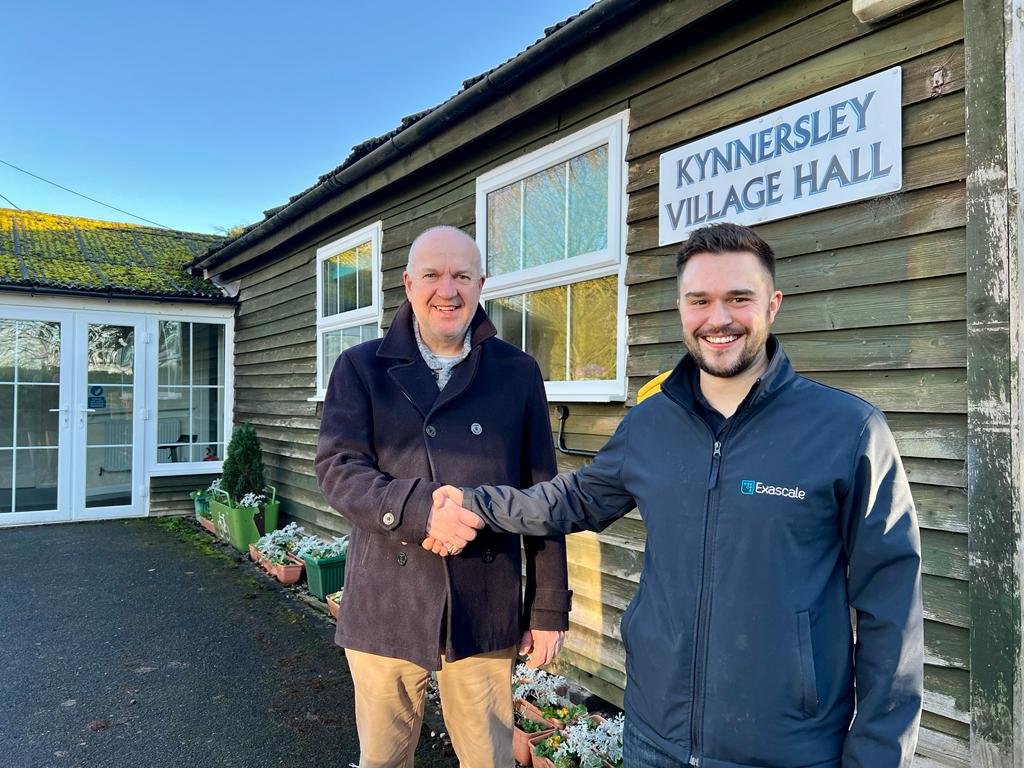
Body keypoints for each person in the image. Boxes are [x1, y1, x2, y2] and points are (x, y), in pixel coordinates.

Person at [430, 222, 923, 768]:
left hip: (787, 749)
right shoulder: (650, 424)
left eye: (740, 298)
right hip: (653, 738)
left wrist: (876, 756)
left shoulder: (847, 431)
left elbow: (892, 609)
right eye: (701, 300)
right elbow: (573, 498)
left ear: (773, 304)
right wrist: (477, 504)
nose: (719, 319)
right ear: (681, 308)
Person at [315, 225, 572, 768]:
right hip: (386, 596)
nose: (447, 290)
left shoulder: (517, 372)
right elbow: (339, 468)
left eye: (461, 276)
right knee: (382, 758)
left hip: (484, 596)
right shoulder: (361, 368)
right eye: (432, 275)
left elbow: (543, 495)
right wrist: (421, 511)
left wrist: (548, 606)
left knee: (490, 759)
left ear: (482, 284)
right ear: (409, 284)